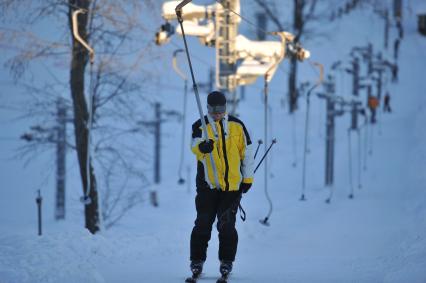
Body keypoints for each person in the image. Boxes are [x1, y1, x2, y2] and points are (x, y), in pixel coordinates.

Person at [188, 91, 254, 278]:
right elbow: (194, 146)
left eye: (221, 110)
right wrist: (203, 147)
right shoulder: (200, 126)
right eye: (213, 110)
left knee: (226, 225)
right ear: (208, 109)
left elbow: (247, 153)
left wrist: (247, 178)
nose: (217, 114)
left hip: (231, 187)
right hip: (207, 185)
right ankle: (197, 260)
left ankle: (226, 261)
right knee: (203, 223)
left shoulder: (237, 126)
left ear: (225, 108)